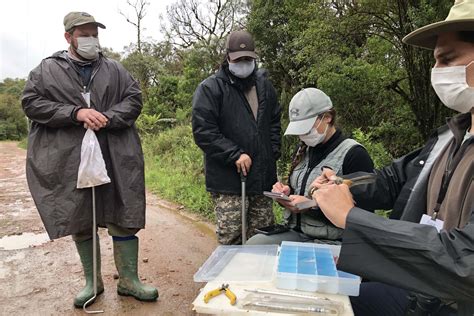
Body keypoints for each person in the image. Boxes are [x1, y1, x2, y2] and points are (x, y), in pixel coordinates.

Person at [310, 1, 474, 314]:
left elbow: (466, 260)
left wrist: (352, 219)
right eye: (435, 63)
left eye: (449, 59)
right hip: (420, 290)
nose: (437, 73)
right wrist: (342, 185)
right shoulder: (449, 136)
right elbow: (392, 179)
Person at [22, 12, 158, 307]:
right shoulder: (46, 70)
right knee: (80, 216)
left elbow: (134, 99)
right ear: (68, 37)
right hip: (70, 156)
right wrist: (75, 113)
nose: (91, 40)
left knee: (122, 213)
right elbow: (32, 103)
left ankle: (129, 281)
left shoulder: (115, 69)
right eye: (84, 34)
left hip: (115, 152)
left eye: (94, 34)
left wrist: (108, 117)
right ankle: (92, 282)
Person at [246, 88, 374, 245]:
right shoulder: (304, 149)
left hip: (332, 240)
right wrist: (286, 194)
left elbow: (363, 212)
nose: (302, 135)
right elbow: (299, 190)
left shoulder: (354, 154)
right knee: (256, 244)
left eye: (306, 128)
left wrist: (311, 205)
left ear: (327, 117)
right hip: (298, 233)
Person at [192, 30, 282, 245]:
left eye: (248, 59)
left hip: (262, 179)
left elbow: (274, 123)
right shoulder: (210, 88)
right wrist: (234, 154)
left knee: (262, 237)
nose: (243, 63)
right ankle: (230, 279)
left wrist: (272, 153)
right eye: (238, 59)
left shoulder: (264, 86)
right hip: (229, 182)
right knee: (232, 238)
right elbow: (203, 131)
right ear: (227, 58)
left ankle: (258, 279)